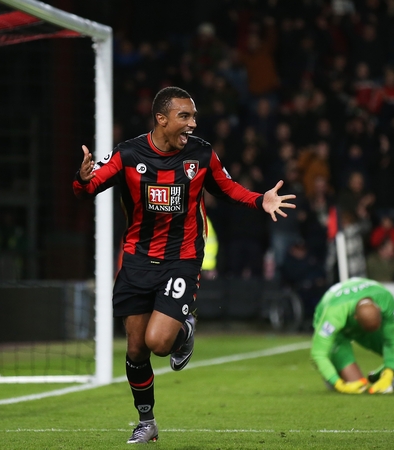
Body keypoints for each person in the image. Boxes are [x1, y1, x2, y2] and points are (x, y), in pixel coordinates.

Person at [73, 86, 295, 444]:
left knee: (159, 343)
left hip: (181, 259)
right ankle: (147, 421)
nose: (193, 123)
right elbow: (88, 188)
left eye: (193, 116)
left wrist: (260, 200)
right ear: (161, 119)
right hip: (137, 260)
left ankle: (184, 331)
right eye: (184, 116)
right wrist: (82, 179)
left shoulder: (202, 154)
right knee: (136, 349)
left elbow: (228, 188)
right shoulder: (128, 154)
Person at [311, 277, 394, 394]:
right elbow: (318, 354)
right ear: (355, 318)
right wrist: (337, 383)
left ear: (380, 310)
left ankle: (379, 377)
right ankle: (333, 372)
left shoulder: (386, 300)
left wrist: (388, 374)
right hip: (338, 332)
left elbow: (391, 341)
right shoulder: (333, 314)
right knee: (357, 385)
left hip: (359, 314)